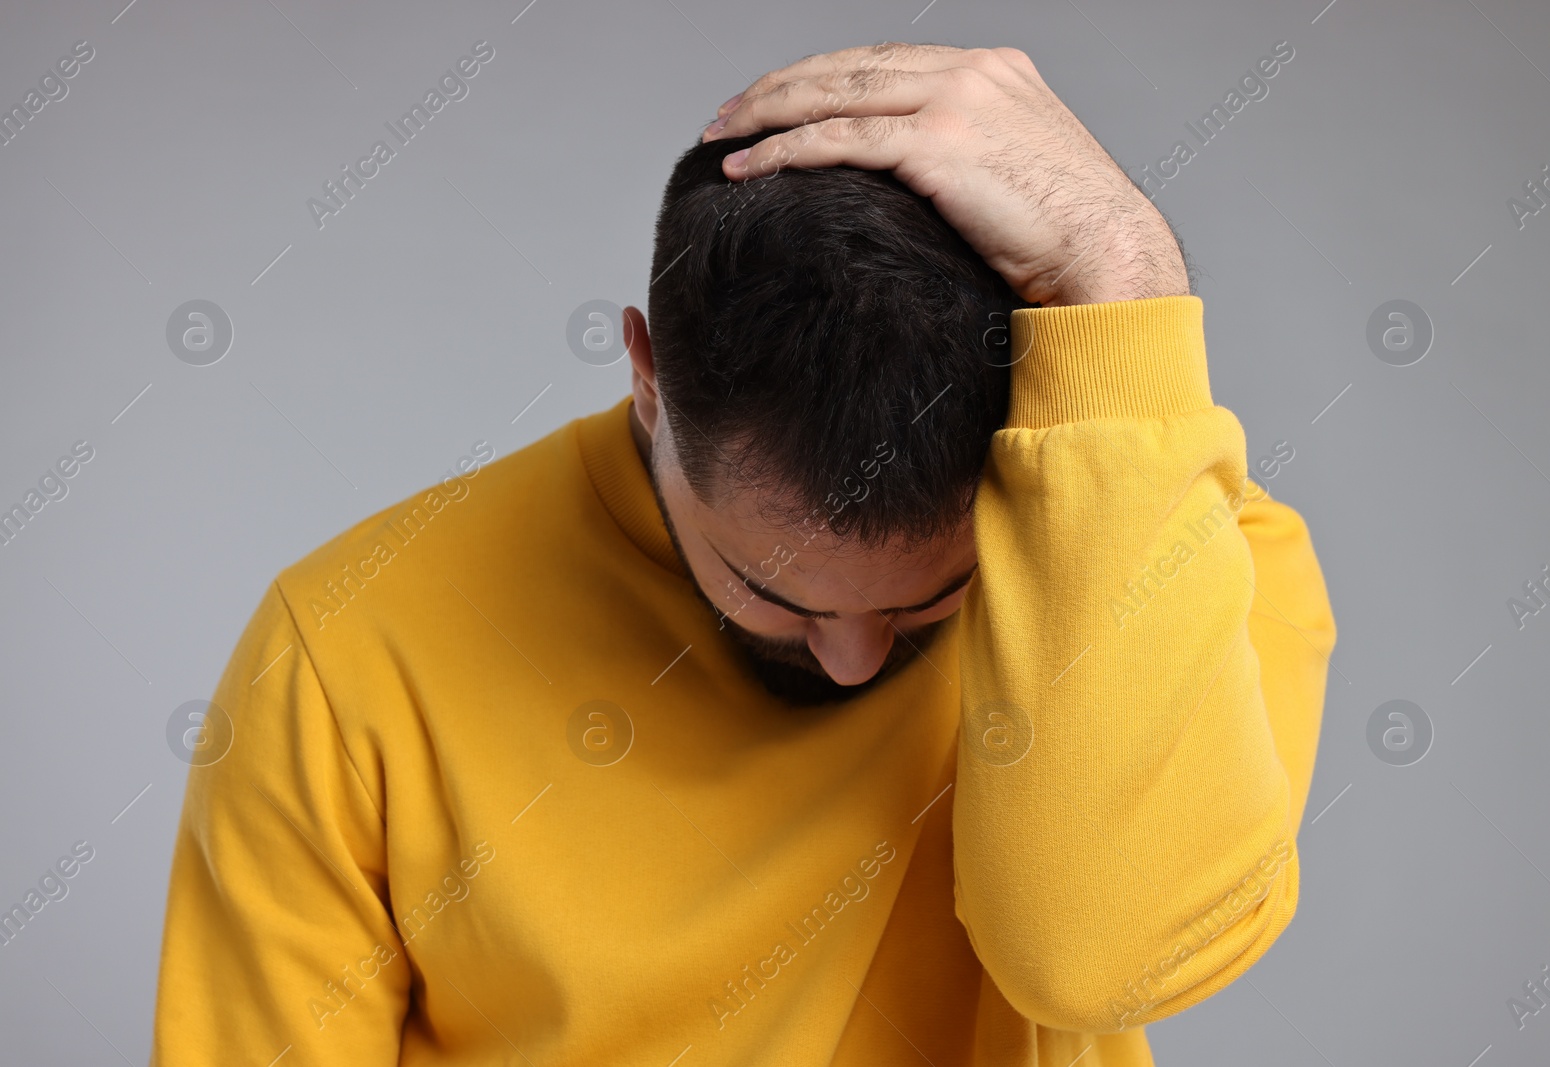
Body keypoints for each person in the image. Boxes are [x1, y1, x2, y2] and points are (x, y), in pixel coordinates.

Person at [151, 42, 1336, 1066]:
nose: (859, 660)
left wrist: (1122, 264)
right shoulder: (345, 647)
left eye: (943, 592)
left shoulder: (1184, 552)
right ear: (648, 376)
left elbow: (1092, 960)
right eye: (771, 591)